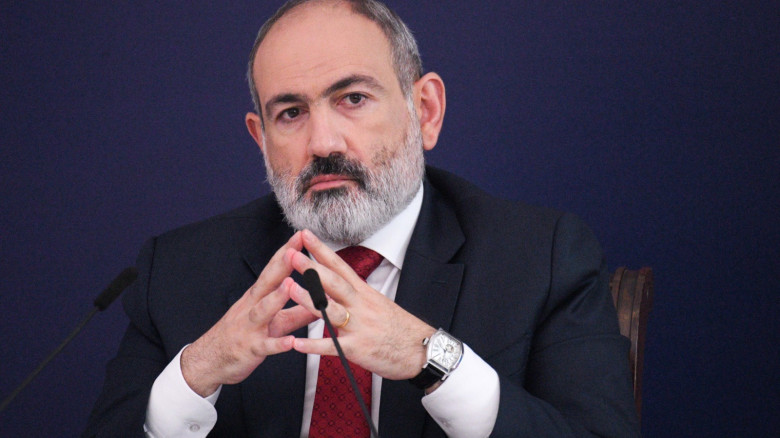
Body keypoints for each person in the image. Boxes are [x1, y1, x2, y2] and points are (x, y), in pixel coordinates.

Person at [84, 0, 640, 436]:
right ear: (261, 138)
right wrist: (196, 374)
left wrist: (430, 357)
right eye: (291, 113)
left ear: (425, 111)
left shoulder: (540, 256)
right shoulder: (178, 271)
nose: (322, 142)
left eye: (352, 98)